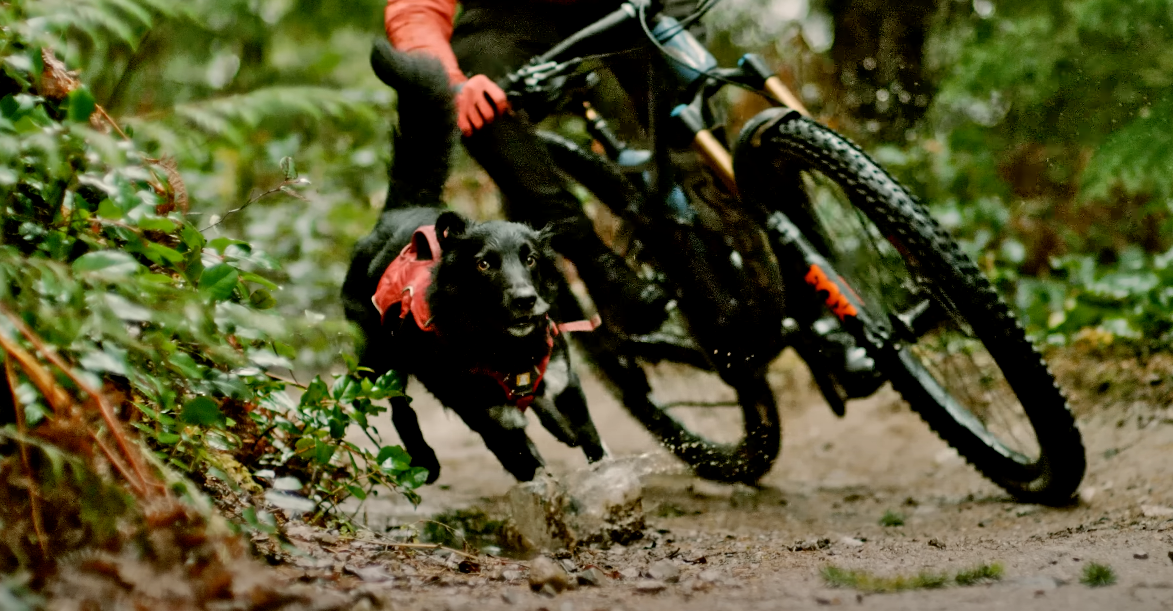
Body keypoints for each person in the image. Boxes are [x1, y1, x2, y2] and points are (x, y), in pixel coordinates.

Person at [382, 0, 673, 336]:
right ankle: (596, 262)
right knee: (476, 86)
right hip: (515, 16)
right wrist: (453, 82)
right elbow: (416, 8)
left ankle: (722, 206)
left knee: (684, 94)